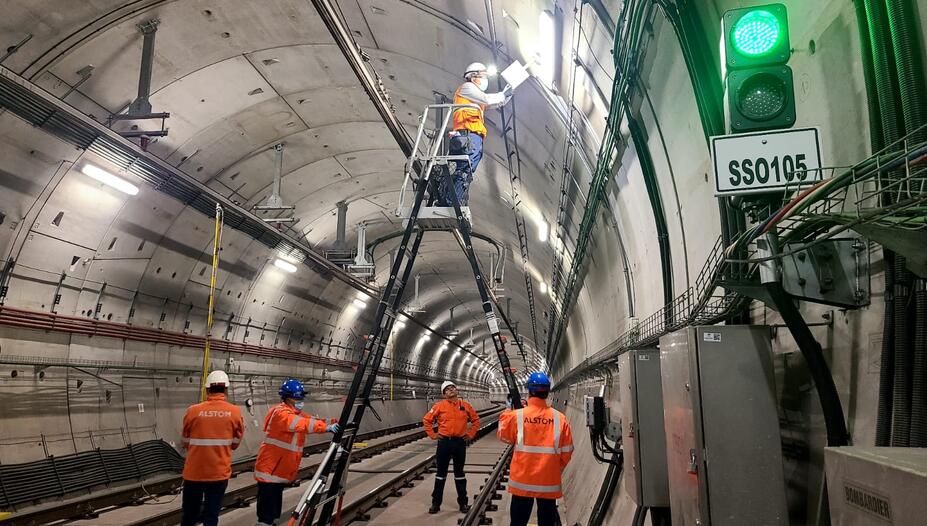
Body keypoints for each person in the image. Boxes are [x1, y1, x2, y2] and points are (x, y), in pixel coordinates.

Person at [253, 379, 340, 526]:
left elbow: (313, 420)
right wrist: (326, 428)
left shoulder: (295, 412)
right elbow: (303, 424)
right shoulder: (281, 413)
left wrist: (335, 422)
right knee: (266, 514)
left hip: (278, 470)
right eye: (297, 398)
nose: (300, 401)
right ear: (288, 398)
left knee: (273, 511)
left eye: (301, 398)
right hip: (270, 470)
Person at [497, 372, 573, 526]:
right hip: (548, 481)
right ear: (547, 391)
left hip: (522, 481)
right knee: (547, 521)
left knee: (518, 522)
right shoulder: (560, 418)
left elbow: (503, 436)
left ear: (530, 391)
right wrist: (553, 467)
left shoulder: (516, 416)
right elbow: (567, 450)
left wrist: (507, 410)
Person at [438, 62, 513, 207]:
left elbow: (495, 103)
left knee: (465, 169)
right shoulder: (467, 88)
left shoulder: (474, 97)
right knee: (464, 169)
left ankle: (451, 199)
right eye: (483, 76)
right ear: (473, 77)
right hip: (467, 136)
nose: (485, 80)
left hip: (471, 137)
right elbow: (486, 99)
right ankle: (450, 201)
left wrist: (507, 94)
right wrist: (502, 94)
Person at [180, 370, 245, 526]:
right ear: (226, 390)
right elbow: (236, 442)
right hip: (218, 473)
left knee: (189, 514)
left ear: (207, 389)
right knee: (211, 515)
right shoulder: (235, 412)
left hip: (194, 473)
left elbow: (184, 440)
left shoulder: (192, 411)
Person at [423, 380, 481, 513]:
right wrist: (433, 435)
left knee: (459, 473)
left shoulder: (465, 405)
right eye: (447, 389)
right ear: (444, 394)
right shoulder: (439, 406)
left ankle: (463, 503)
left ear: (457, 390)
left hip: (459, 443)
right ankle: (436, 503)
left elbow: (476, 420)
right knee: (440, 474)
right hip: (444, 443)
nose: (451, 390)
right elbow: (427, 420)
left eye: (453, 388)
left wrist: (471, 434)